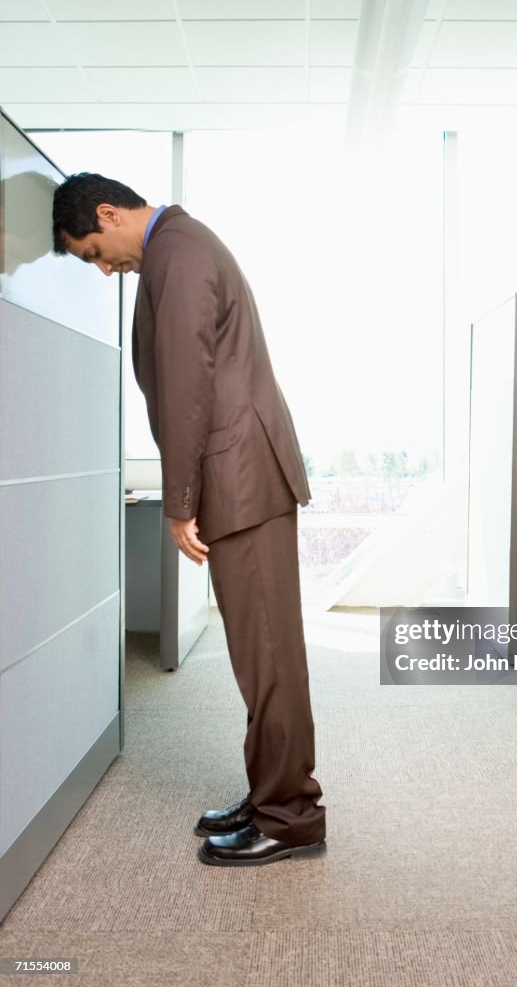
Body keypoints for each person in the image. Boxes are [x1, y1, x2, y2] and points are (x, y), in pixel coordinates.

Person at [52, 174, 326, 867]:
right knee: (259, 656)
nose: (104, 268)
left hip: (242, 478)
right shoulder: (180, 245)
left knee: (269, 660)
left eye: (94, 252)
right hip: (241, 474)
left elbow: (185, 386)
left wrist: (178, 507)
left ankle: (290, 817)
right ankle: (271, 792)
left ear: (111, 214)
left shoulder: (177, 252)